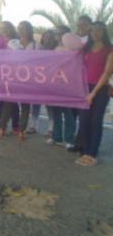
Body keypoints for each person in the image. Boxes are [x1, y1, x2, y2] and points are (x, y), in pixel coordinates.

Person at [76, 22, 112, 166]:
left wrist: (93, 93)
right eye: (93, 30)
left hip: (101, 89)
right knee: (84, 121)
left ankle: (92, 154)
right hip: (84, 87)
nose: (95, 33)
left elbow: (107, 73)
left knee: (95, 121)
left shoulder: (110, 49)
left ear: (104, 32)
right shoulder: (86, 48)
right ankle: (85, 151)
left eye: (99, 30)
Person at [0, 20, 37, 140]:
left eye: (24, 27)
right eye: (19, 27)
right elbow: (7, 59)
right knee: (8, 103)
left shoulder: (35, 45)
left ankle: (21, 130)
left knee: (25, 105)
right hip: (14, 77)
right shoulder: (13, 43)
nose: (21, 30)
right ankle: (2, 128)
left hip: (29, 79)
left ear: (29, 30)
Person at [41, 30, 76, 149]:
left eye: (62, 34)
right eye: (59, 34)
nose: (60, 36)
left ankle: (69, 139)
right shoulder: (56, 48)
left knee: (68, 113)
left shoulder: (74, 49)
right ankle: (56, 137)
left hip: (67, 84)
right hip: (55, 83)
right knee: (55, 112)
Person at [0, 21, 19, 131]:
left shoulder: (16, 40)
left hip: (12, 73)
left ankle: (15, 125)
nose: (4, 30)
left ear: (11, 29)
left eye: (6, 28)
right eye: (2, 28)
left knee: (12, 100)